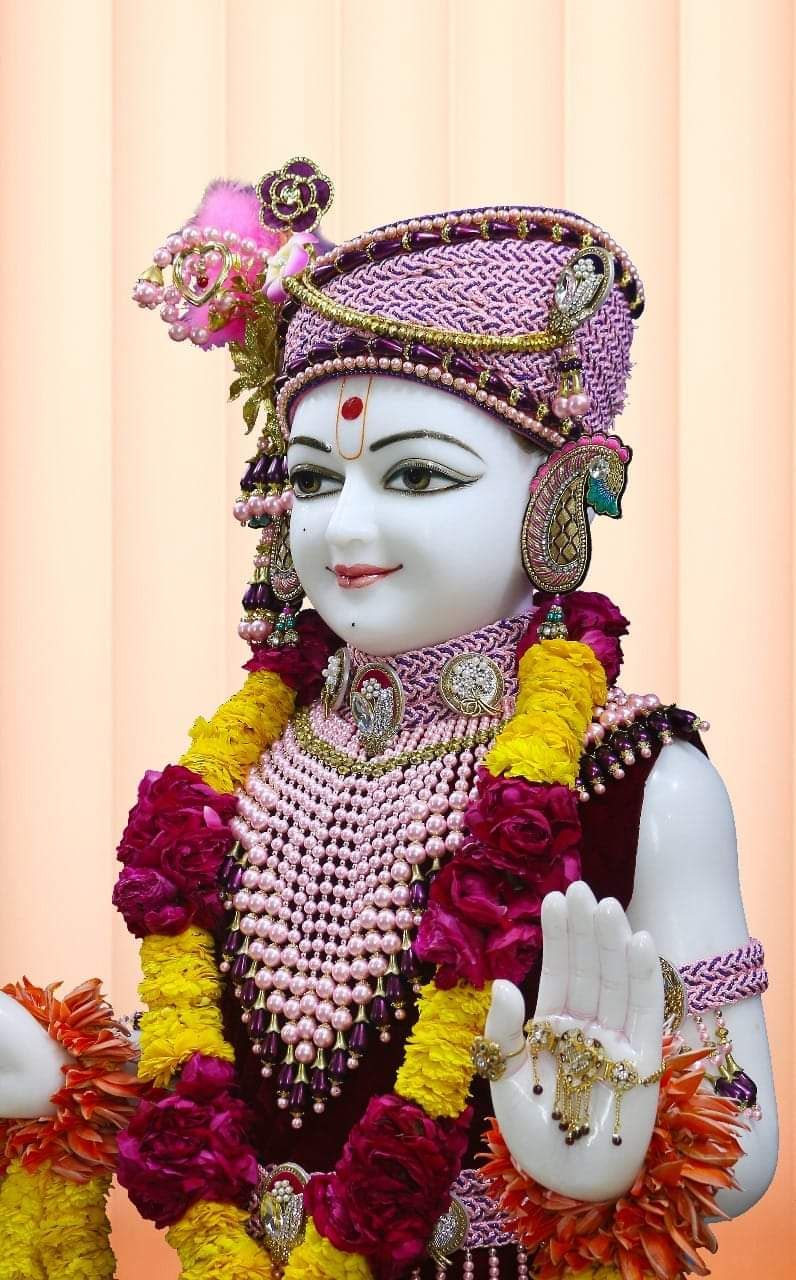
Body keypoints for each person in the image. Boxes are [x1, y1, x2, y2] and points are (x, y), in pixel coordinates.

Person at [0, 159, 777, 1280]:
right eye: (314, 481)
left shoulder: (637, 777)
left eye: (415, 478)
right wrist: (70, 1071)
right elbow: (217, 1094)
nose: (342, 526)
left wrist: (614, 1146)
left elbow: (742, 1129)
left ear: (560, 492)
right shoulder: (250, 761)